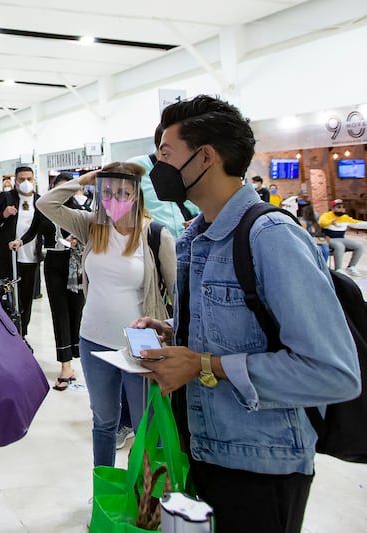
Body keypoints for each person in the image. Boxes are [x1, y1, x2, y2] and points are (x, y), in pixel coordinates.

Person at [133, 95, 360, 533]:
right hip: (204, 451)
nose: (156, 168)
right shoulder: (198, 237)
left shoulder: (271, 237)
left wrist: (202, 365)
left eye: (165, 154)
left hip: (262, 466)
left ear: (206, 157)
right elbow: (239, 329)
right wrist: (176, 335)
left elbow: (334, 373)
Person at [39, 163, 176, 467]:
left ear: (136, 195)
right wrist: (84, 180)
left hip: (140, 346)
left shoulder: (154, 235)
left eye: (122, 192)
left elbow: (179, 294)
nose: (114, 199)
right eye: (107, 192)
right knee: (103, 423)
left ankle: (144, 498)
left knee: (145, 425)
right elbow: (45, 204)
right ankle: (104, 491)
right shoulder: (92, 227)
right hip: (93, 340)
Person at [0, 166, 54, 337]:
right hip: (8, 257)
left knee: (26, 299)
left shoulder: (40, 201)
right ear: (15, 181)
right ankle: (4, 335)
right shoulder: (7, 198)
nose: (26, 183)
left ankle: (22, 335)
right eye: (22, 179)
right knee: (4, 297)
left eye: (29, 179)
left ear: (34, 180)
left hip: (31, 258)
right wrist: (3, 215)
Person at [39, 172, 89, 391]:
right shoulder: (46, 210)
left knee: (78, 313)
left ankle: (81, 357)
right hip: (53, 263)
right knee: (59, 313)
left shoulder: (80, 212)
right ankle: (65, 365)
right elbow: (34, 231)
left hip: (76, 266)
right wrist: (19, 241)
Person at [127, 124, 199, 238]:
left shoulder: (192, 166)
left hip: (193, 242)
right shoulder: (134, 168)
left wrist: (201, 219)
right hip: (155, 246)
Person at [319, 199, 367, 276]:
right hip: (328, 239)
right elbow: (321, 222)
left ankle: (351, 267)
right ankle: (338, 269)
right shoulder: (327, 215)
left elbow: (357, 223)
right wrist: (331, 222)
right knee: (339, 246)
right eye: (339, 207)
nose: (342, 209)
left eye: (343, 207)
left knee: (359, 246)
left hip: (341, 239)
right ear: (333, 208)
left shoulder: (345, 217)